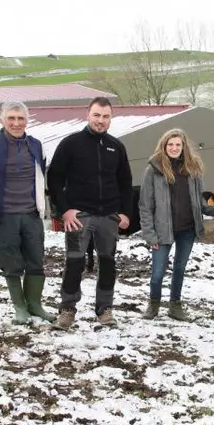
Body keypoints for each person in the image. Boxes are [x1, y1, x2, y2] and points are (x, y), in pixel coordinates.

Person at [47, 97, 132, 329]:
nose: (100, 121)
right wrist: (64, 210)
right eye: (96, 115)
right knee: (74, 262)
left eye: (105, 116)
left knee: (108, 263)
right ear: (88, 115)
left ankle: (104, 308)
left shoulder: (116, 146)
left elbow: (125, 182)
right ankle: (67, 309)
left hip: (109, 217)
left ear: (111, 118)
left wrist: (125, 212)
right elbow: (54, 178)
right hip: (79, 217)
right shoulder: (71, 144)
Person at [0, 101, 55, 325]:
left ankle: (35, 305)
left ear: (27, 121)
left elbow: (42, 177)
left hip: (31, 214)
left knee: (36, 260)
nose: (16, 123)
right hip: (3, 215)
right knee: (10, 263)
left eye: (20, 119)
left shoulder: (37, 146)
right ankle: (20, 308)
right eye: (11, 118)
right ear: (2, 120)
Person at [138, 128, 214, 321]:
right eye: (170, 144)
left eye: (177, 145)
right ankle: (153, 305)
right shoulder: (153, 169)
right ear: (164, 146)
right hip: (162, 231)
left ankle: (175, 306)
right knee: (157, 273)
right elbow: (145, 205)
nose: (174, 148)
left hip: (187, 229)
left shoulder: (193, 168)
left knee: (180, 268)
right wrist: (149, 234)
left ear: (184, 147)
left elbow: (200, 201)